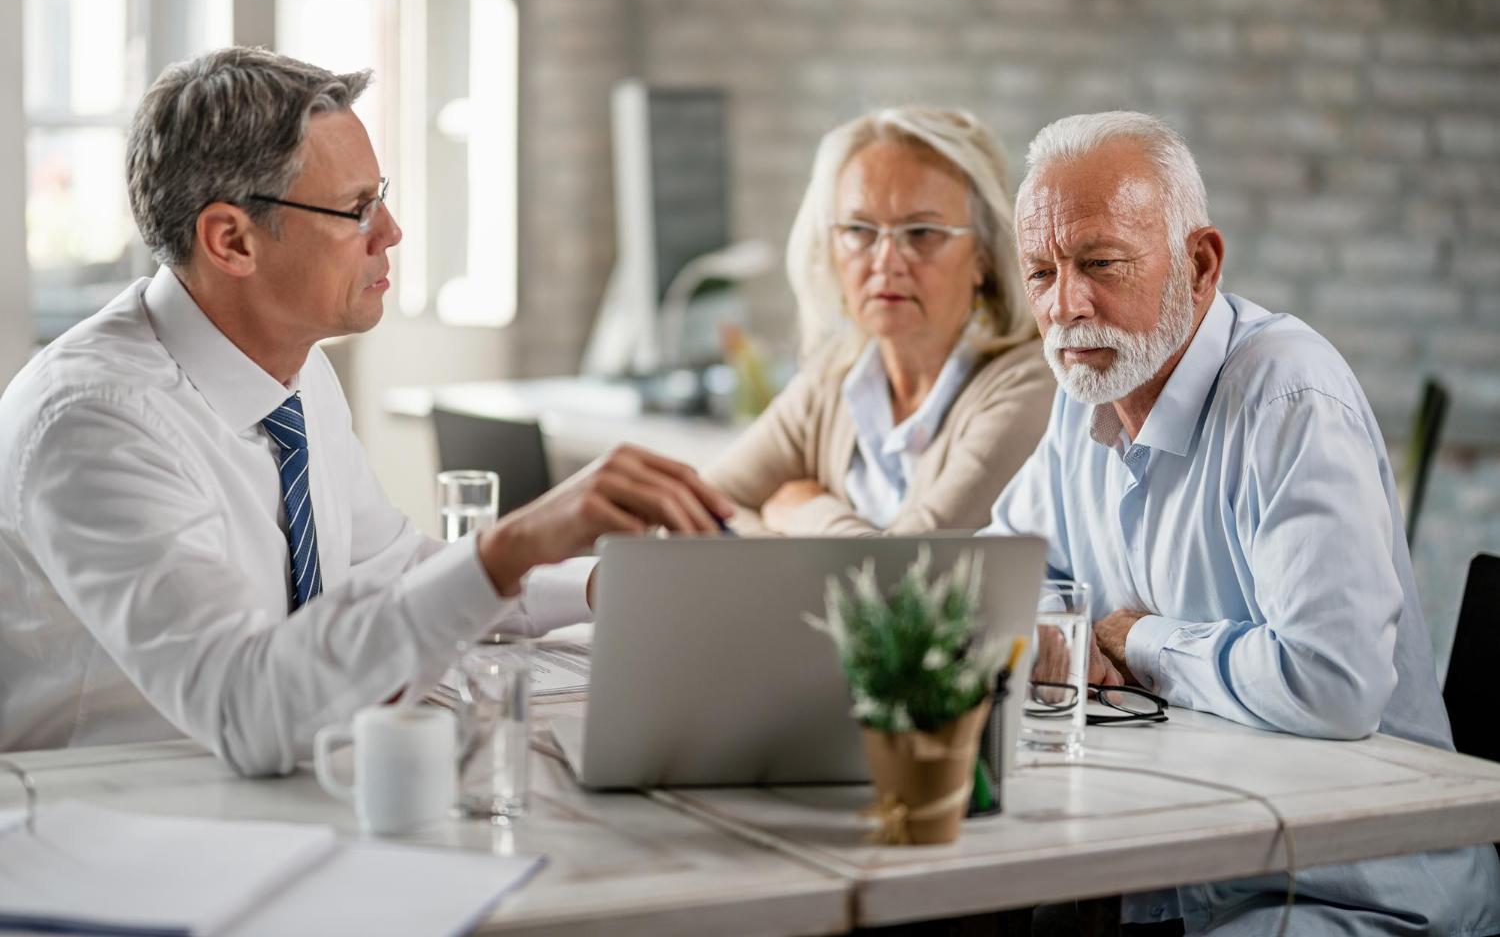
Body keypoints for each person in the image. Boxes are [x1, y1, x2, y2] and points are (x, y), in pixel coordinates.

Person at [0, 47, 732, 776]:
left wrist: (598, 585)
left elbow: (392, 573)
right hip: (117, 829)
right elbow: (247, 710)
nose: (391, 232)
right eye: (356, 210)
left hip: (258, 806)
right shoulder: (95, 422)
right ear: (231, 240)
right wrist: (511, 545)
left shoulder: (294, 370)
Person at [986, 111, 1500, 935]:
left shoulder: (1289, 397)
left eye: (1100, 263)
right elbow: (998, 579)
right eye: (1041, 272)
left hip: (1346, 891)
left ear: (1200, 262)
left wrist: (1136, 639)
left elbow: (1330, 683)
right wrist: (1053, 629)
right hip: (1186, 866)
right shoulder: (1085, 391)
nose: (1067, 305)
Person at [705, 107, 1054, 535]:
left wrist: (805, 511)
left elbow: (907, 583)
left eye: (922, 232)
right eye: (859, 230)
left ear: (983, 254)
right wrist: (784, 544)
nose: (886, 262)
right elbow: (694, 512)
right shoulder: (833, 381)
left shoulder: (1031, 386)